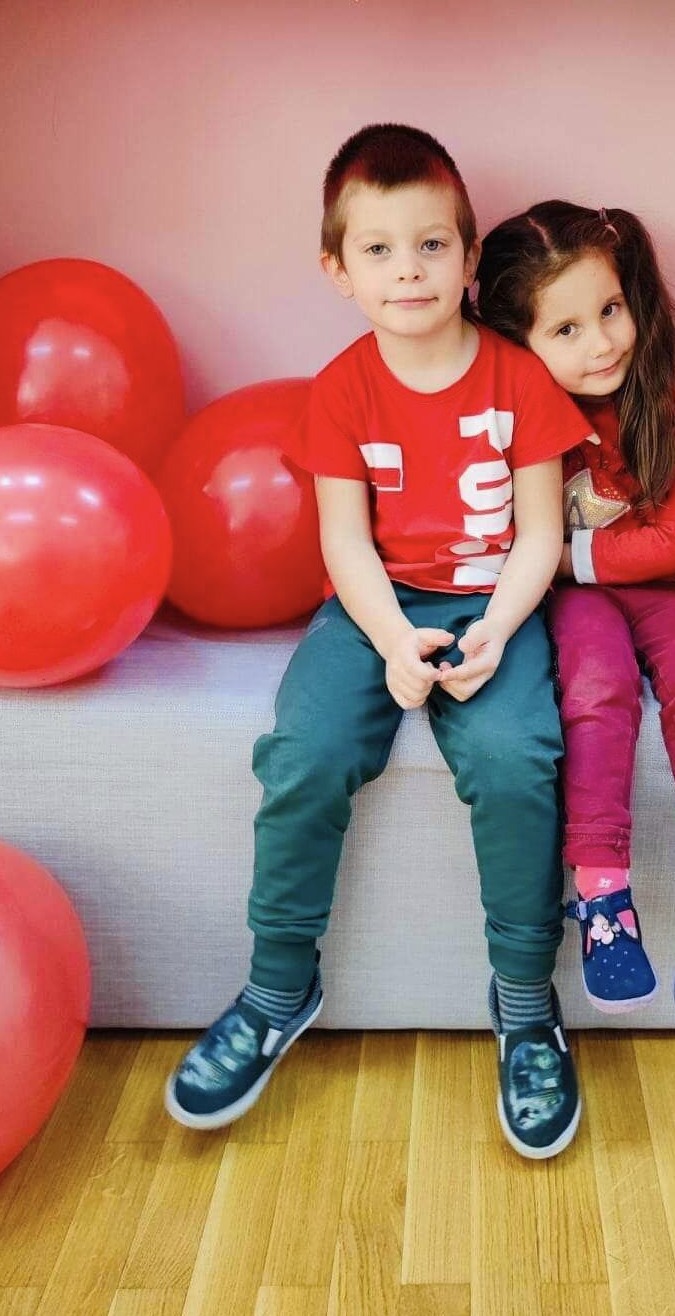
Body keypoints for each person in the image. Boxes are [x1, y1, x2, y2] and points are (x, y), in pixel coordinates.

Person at [166, 127, 590, 1158]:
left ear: (468, 253)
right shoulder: (343, 389)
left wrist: (495, 629)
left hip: (494, 599)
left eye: (432, 245)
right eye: (379, 250)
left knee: (516, 759)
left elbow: (542, 534)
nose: (409, 271)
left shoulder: (520, 381)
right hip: (375, 606)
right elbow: (344, 542)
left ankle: (525, 1002)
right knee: (304, 752)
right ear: (338, 270)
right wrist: (396, 640)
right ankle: (277, 989)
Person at [476, 199, 675, 1020]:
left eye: (609, 310)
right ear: (518, 341)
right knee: (596, 689)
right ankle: (603, 899)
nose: (601, 342)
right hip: (571, 605)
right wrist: (560, 570)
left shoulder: (659, 397)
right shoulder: (513, 416)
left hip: (664, 593)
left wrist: (560, 556)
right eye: (566, 329)